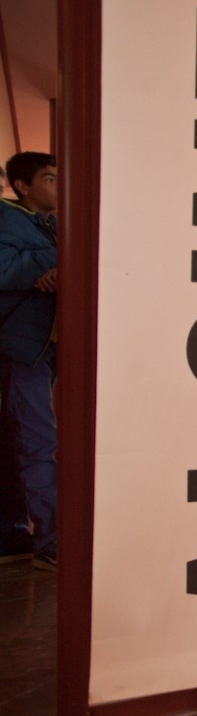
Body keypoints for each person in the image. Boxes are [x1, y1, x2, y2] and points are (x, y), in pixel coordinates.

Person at [0, 152, 59, 570]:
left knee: (41, 441)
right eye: (50, 178)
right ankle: (52, 541)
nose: (58, 185)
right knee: (38, 442)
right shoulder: (7, 217)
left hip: (53, 347)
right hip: (24, 351)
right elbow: (5, 270)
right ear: (23, 185)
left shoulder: (52, 225)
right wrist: (55, 261)